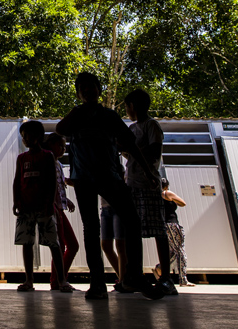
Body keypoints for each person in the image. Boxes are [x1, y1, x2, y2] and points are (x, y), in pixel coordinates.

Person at [56, 72, 163, 300]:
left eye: (91, 86)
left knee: (132, 220)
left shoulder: (109, 116)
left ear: (98, 90)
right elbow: (60, 129)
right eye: (82, 88)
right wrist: (77, 112)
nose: (87, 91)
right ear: (78, 93)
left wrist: (148, 171)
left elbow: (130, 144)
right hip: (83, 179)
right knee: (91, 228)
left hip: (109, 176)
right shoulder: (77, 115)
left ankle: (133, 275)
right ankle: (97, 283)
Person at [123, 88, 176, 296]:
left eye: (127, 107)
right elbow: (130, 155)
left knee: (157, 229)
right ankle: (134, 275)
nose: (127, 111)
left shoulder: (151, 125)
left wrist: (134, 152)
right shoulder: (133, 128)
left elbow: (154, 150)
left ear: (133, 106)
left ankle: (166, 278)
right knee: (133, 230)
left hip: (148, 183)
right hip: (133, 183)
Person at [13, 121, 72, 293]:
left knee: (54, 243)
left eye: (27, 135)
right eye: (23, 136)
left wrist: (49, 204)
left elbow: (52, 182)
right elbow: (17, 181)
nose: (25, 139)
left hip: (44, 207)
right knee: (27, 243)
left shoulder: (47, 156)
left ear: (38, 136)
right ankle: (29, 280)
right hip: (26, 208)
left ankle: (62, 280)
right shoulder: (21, 158)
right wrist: (16, 201)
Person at [42, 133, 79, 291]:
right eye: (60, 146)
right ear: (51, 145)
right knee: (62, 245)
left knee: (71, 245)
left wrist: (66, 200)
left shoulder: (58, 164)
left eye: (65, 147)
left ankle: (58, 279)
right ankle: (56, 280)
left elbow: (59, 184)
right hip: (54, 208)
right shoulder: (48, 160)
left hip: (60, 206)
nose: (63, 149)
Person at [153, 178, 195, 287]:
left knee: (173, 251)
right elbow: (183, 203)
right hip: (171, 224)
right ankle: (183, 279)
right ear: (166, 186)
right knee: (180, 251)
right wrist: (173, 200)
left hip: (163, 225)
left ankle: (160, 268)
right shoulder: (167, 193)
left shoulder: (155, 196)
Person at [99, 197, 129, 293]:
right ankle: (123, 278)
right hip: (105, 207)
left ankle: (123, 281)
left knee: (120, 244)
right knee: (106, 245)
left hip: (118, 205)